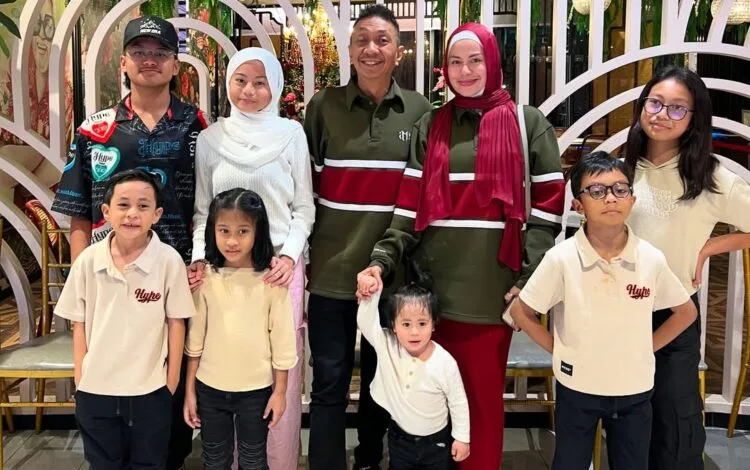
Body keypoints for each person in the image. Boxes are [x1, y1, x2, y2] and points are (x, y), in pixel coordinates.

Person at [357, 23, 565, 469]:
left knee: (479, 408)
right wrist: (381, 260)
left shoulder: (527, 124)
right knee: (429, 410)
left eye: (475, 60)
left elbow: (547, 212)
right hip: (432, 300)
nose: (465, 71)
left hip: (492, 297)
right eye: (455, 62)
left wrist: (529, 280)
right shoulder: (432, 125)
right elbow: (409, 209)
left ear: (493, 62)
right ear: (444, 69)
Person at [50, 16, 207, 470]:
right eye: (140, 52)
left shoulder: (197, 127)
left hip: (177, 282)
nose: (149, 61)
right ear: (123, 62)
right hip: (109, 283)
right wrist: (83, 281)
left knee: (167, 409)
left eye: (160, 53)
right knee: (109, 410)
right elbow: (79, 210)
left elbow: (209, 206)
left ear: (175, 64)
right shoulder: (95, 130)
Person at [303, 5, 432, 470]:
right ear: (350, 49)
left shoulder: (419, 111)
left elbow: (418, 197)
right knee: (329, 382)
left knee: (383, 383)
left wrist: (387, 262)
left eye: (382, 40)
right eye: (362, 40)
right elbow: (306, 188)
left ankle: (369, 459)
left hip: (390, 278)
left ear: (398, 51)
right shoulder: (323, 107)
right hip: (331, 272)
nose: (371, 49)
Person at [510, 152, 698, 470]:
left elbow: (685, 312)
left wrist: (647, 347)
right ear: (578, 205)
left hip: (634, 389)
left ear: (632, 199)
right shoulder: (562, 258)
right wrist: (559, 349)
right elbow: (521, 312)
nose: (610, 198)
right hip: (577, 387)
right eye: (596, 191)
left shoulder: (650, 258)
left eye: (620, 189)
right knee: (570, 462)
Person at [186, 46, 314, 470]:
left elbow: (304, 207)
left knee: (278, 369)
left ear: (274, 86)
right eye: (240, 81)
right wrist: (200, 259)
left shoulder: (291, 134)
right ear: (228, 84)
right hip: (223, 270)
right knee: (225, 363)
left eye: (260, 82)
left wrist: (290, 257)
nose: (249, 91)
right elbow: (203, 210)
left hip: (277, 269)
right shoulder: (211, 139)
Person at [625, 66, 750, 470]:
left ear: (695, 118)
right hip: (618, 313)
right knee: (629, 421)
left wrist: (711, 246)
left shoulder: (710, 177)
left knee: (674, 422)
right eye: (655, 103)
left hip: (673, 313)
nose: (662, 115)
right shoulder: (622, 169)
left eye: (678, 108)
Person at [54, 169, 195, 469]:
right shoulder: (89, 261)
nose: (132, 213)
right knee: (103, 463)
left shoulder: (168, 260)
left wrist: (170, 383)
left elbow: (176, 323)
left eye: (143, 206)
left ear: (157, 214)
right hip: (96, 389)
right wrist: (81, 378)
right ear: (106, 212)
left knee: (150, 462)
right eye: (123, 204)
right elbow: (78, 324)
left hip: (149, 390)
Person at [183, 188, 298, 470]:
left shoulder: (271, 282)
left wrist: (280, 392)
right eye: (224, 231)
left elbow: (282, 344)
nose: (232, 241)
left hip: (256, 392)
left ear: (258, 232)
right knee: (214, 460)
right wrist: (190, 391)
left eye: (243, 231)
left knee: (253, 460)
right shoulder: (206, 278)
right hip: (209, 390)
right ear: (212, 231)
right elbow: (194, 342)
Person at [356, 267, 470, 470]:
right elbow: (366, 324)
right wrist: (371, 295)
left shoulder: (444, 362)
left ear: (433, 324)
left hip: (437, 443)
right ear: (393, 325)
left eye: (422, 323)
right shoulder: (387, 344)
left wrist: (462, 438)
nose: (414, 332)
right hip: (400, 440)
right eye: (406, 324)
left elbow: (458, 402)